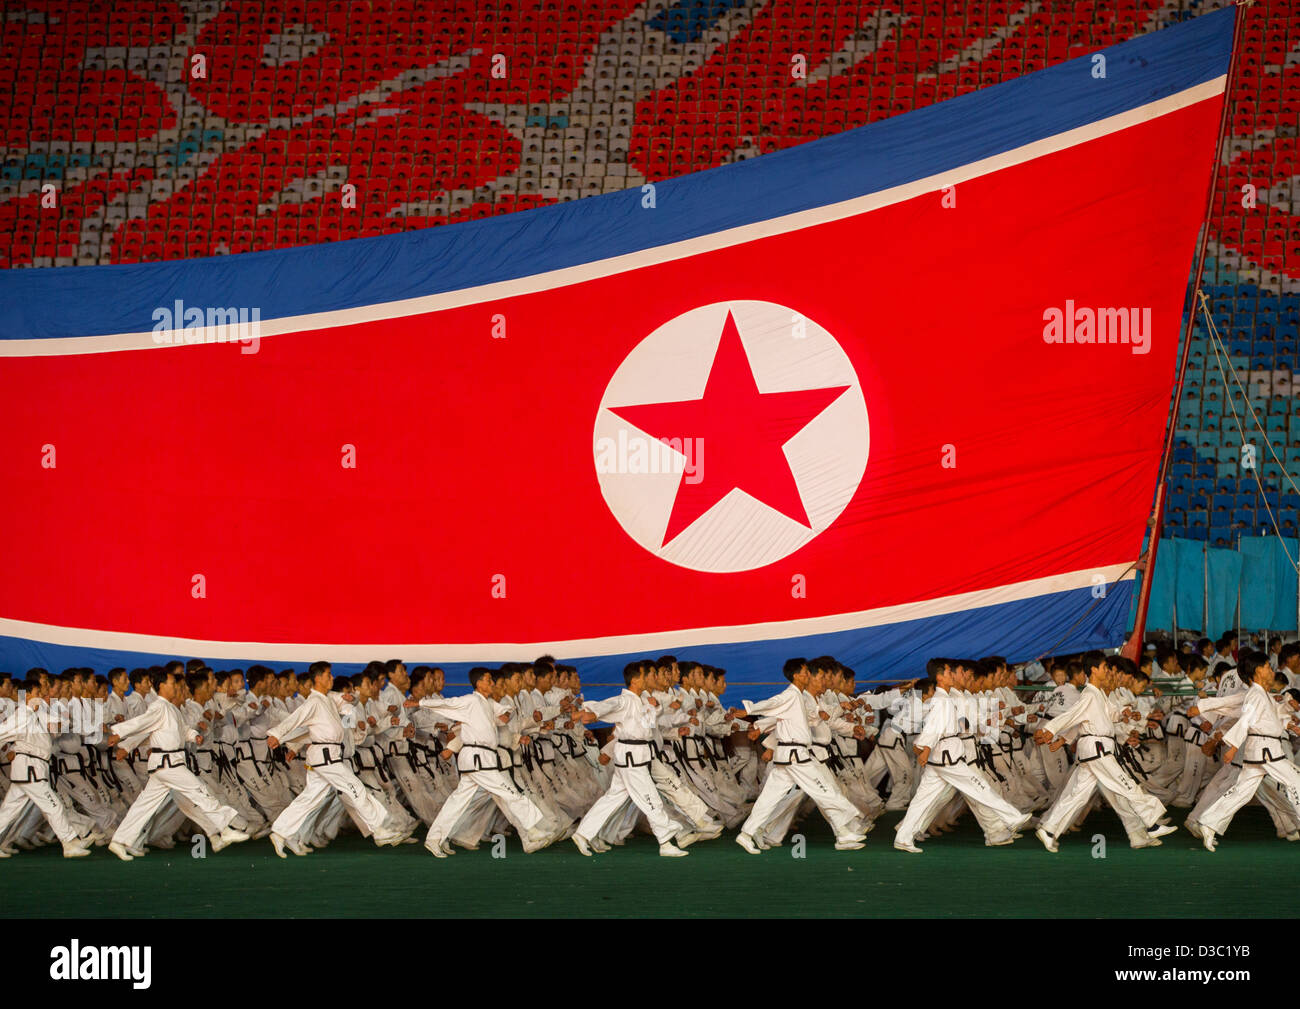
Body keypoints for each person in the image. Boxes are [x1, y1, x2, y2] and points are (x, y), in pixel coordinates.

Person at [406, 667, 557, 857]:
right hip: (478, 758)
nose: (492, 683)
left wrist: (505, 714)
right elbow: (447, 704)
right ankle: (533, 830)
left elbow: (504, 713)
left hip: (481, 758)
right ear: (479, 683)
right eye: (488, 680)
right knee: (509, 791)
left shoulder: (488, 703)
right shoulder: (470, 701)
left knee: (457, 802)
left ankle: (435, 839)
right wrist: (419, 702)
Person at [265, 661, 410, 856]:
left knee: (310, 798)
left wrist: (351, 698)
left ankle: (280, 832)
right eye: (328, 675)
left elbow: (349, 702)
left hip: (329, 755)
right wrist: (276, 734)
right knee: (356, 787)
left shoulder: (329, 698)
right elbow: (296, 719)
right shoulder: (314, 701)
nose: (331, 678)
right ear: (318, 678)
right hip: (326, 756)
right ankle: (379, 829)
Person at [1033, 652, 1174, 852]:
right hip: (1097, 749)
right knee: (1127, 786)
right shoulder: (1089, 694)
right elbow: (1073, 715)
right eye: (1104, 668)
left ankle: (1048, 829)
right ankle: (1152, 823)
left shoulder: (1098, 694)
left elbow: (1109, 714)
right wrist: (1050, 730)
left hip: (1096, 749)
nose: (1107, 671)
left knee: (1077, 796)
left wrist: (1122, 714)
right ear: (1094, 670)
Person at [105, 664, 249, 860]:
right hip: (168, 763)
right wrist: (118, 732)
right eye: (173, 683)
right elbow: (141, 724)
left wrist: (193, 736)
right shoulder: (158, 706)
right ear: (162, 686)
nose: (176, 687)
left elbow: (181, 729)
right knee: (200, 790)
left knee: (144, 806)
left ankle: (119, 841)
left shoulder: (170, 708)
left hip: (165, 765)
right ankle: (224, 828)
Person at [893, 660, 1032, 853]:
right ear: (940, 677)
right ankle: (1012, 817)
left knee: (923, 800)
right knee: (980, 787)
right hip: (947, 757)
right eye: (950, 673)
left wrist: (925, 747)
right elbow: (934, 727)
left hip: (944, 754)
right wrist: (924, 747)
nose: (953, 676)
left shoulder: (946, 698)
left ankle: (903, 837)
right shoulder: (941, 700)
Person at [734, 658, 869, 854]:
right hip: (796, 756)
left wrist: (817, 716)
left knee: (770, 798)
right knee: (824, 791)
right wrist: (749, 710)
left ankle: (747, 834)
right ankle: (844, 832)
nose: (808, 675)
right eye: (806, 672)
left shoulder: (799, 697)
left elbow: (797, 717)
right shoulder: (791, 694)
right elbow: (774, 704)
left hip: (790, 756)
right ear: (797, 675)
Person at [571, 662, 693, 856]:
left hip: (635, 755)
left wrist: (654, 708)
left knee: (612, 798)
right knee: (650, 798)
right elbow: (609, 705)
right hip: (631, 757)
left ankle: (583, 834)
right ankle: (665, 842)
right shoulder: (625, 700)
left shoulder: (640, 701)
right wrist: (591, 713)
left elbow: (646, 725)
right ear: (636, 680)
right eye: (648, 675)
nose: (650, 679)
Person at [1195, 656, 1300, 851]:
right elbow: (1246, 720)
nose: (1271, 670)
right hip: (1266, 750)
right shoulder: (1256, 695)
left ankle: (1208, 823)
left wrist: (1290, 718)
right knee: (1296, 781)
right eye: (1268, 667)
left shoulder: (1262, 694)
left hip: (1261, 749)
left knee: (1241, 792)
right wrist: (1233, 746)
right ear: (1258, 671)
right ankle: (1209, 823)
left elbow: (1273, 716)